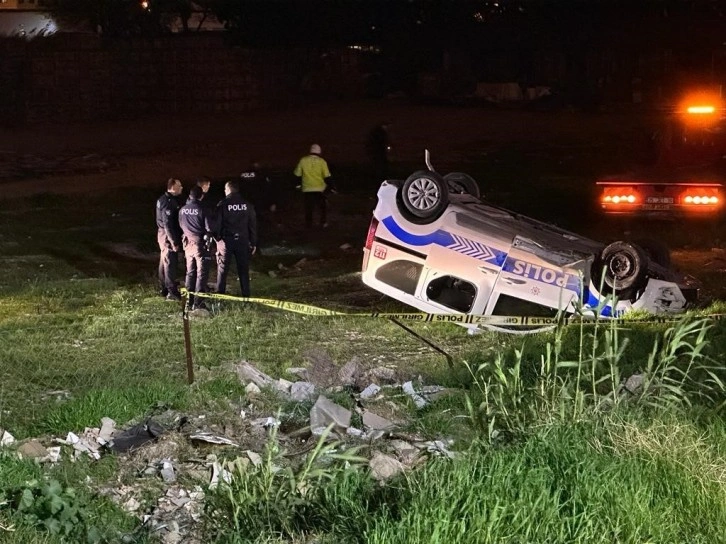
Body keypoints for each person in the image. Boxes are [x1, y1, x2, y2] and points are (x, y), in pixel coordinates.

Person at [215, 180, 257, 297]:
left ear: (228, 189)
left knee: (222, 269)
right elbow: (252, 225)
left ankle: (220, 295)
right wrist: (253, 242)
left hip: (226, 241)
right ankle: (246, 295)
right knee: (243, 269)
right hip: (243, 240)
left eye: (225, 189)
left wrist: (217, 239)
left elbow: (217, 224)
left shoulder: (222, 204)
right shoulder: (247, 205)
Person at [179, 185, 214, 310]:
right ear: (201, 196)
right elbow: (209, 228)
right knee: (201, 274)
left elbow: (181, 225)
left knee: (190, 273)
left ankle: (188, 301)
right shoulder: (203, 209)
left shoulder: (182, 209)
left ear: (190, 196)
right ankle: (198, 303)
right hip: (199, 244)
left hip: (187, 244)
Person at [155, 178, 184, 300]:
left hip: (163, 234)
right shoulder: (168, 202)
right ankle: (171, 292)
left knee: (164, 261)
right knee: (170, 263)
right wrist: (173, 242)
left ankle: (164, 287)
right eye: (179, 185)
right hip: (167, 236)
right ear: (172, 187)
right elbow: (167, 224)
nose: (181, 187)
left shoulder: (163, 199)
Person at [293, 143, 332, 228]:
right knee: (322, 207)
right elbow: (327, 176)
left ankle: (309, 224)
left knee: (309, 208)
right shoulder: (322, 161)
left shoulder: (303, 160)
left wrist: (297, 185)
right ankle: (323, 222)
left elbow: (297, 174)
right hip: (320, 189)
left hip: (307, 189)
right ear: (319, 152)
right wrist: (331, 187)